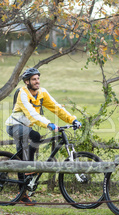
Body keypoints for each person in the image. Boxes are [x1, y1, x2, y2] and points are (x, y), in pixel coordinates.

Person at [5, 67, 81, 204]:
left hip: (25, 127)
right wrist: (49, 124)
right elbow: (32, 115)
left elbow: (56, 108)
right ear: (27, 82)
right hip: (13, 126)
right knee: (35, 136)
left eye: (38, 78)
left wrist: (72, 120)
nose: (37, 81)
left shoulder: (42, 93)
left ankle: (22, 195)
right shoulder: (22, 93)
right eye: (34, 79)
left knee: (21, 157)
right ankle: (30, 168)